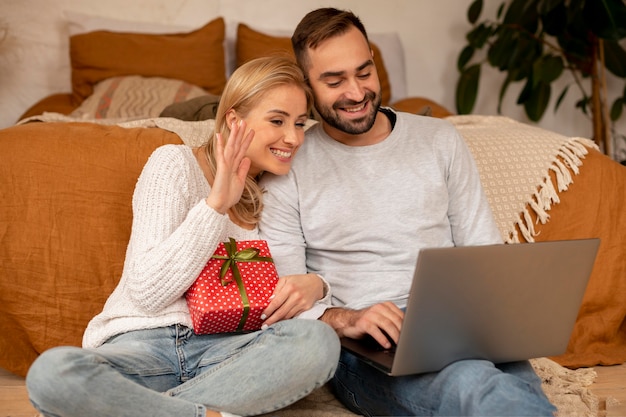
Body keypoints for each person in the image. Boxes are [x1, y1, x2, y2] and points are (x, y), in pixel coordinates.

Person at [258, 8, 557, 417]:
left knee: (514, 392)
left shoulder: (440, 140)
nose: (356, 92)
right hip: (364, 348)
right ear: (307, 86)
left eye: (365, 72)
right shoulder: (288, 164)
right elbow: (287, 305)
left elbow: (485, 253)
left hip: (458, 324)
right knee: (474, 387)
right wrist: (348, 319)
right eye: (334, 80)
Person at [26, 56, 340, 417]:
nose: (294, 138)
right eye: (277, 121)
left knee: (317, 344)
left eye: (301, 123)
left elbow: (281, 305)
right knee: (54, 373)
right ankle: (206, 414)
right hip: (143, 346)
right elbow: (148, 292)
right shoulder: (173, 164)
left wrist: (317, 285)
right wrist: (215, 205)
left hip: (226, 355)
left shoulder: (275, 192)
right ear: (235, 120)